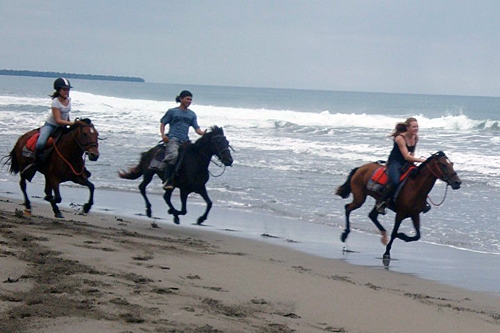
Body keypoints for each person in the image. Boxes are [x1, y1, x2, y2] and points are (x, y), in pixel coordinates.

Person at [22, 77, 75, 179]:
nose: (67, 92)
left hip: (63, 125)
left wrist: (69, 125)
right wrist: (72, 123)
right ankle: (35, 162)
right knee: (41, 142)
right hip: (51, 125)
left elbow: (66, 115)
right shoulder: (55, 102)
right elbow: (58, 120)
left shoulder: (69, 100)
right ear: (58, 90)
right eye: (64, 89)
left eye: (68, 89)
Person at [376, 117, 426, 214]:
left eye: (417, 126)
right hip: (395, 162)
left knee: (419, 178)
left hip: (407, 162)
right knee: (395, 181)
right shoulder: (400, 138)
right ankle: (381, 202)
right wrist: (422, 160)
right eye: (414, 127)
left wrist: (414, 163)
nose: (416, 129)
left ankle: (422, 203)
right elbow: (406, 156)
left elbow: (412, 153)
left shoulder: (416, 137)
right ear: (407, 128)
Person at [160, 90, 206, 189]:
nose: (189, 101)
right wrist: (163, 135)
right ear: (181, 99)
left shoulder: (192, 114)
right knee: (174, 155)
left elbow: (197, 129)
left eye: (191, 99)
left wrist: (202, 133)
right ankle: (167, 180)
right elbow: (163, 123)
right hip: (173, 139)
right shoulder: (172, 111)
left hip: (185, 141)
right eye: (187, 99)